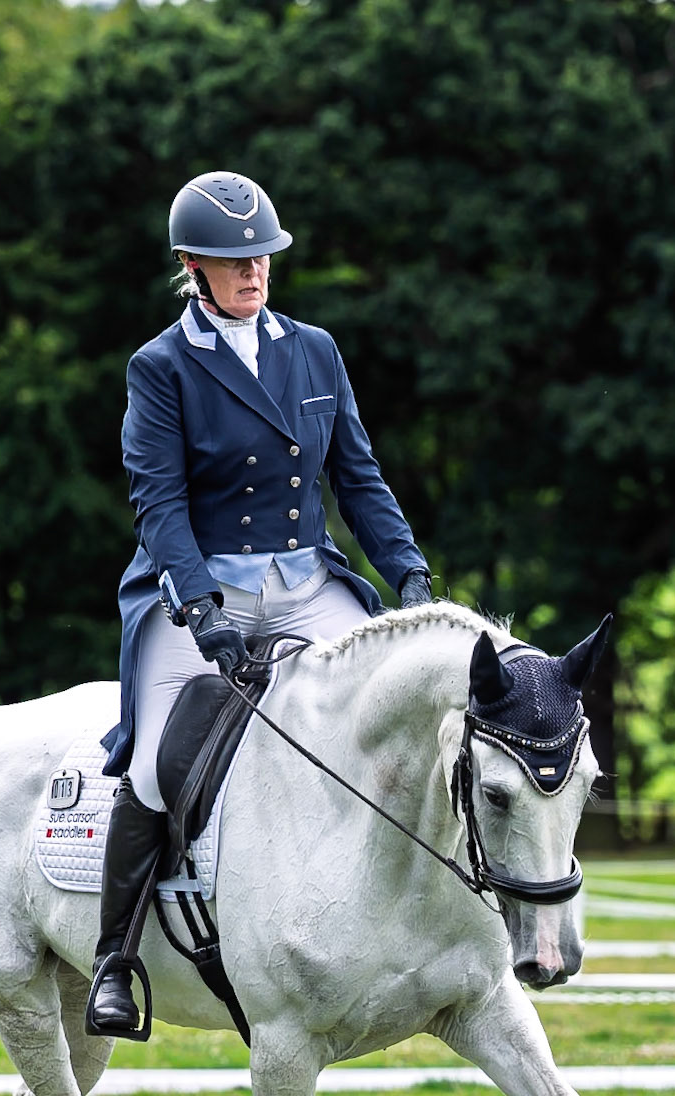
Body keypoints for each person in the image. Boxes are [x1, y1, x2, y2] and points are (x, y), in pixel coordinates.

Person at [87, 170, 434, 1039]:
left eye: (264, 257)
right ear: (193, 265)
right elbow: (158, 504)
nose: (255, 272)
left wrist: (410, 576)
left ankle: (407, 920)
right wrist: (199, 608)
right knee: (156, 770)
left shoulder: (314, 350)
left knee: (396, 720)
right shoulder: (160, 367)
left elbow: (356, 477)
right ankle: (115, 962)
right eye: (236, 260)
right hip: (201, 592)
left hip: (306, 587)